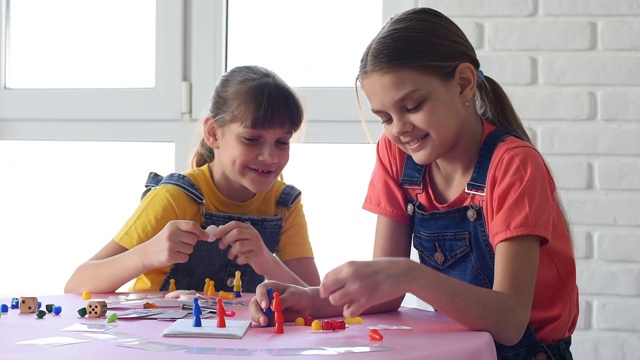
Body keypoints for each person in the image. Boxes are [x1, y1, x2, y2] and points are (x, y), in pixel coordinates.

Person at [249, 8, 578, 359]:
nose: (398, 129)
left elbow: (510, 321)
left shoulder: (513, 165)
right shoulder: (396, 155)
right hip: (460, 348)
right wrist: (311, 300)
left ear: (464, 83)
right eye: (386, 117)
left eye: (413, 105)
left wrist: (410, 274)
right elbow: (387, 292)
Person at [65, 65, 321, 294]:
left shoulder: (284, 204)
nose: (270, 156)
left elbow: (315, 298)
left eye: (282, 142)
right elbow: (77, 285)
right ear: (213, 134)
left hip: (239, 343)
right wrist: (146, 255)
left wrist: (267, 261)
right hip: (157, 342)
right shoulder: (175, 197)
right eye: (252, 139)